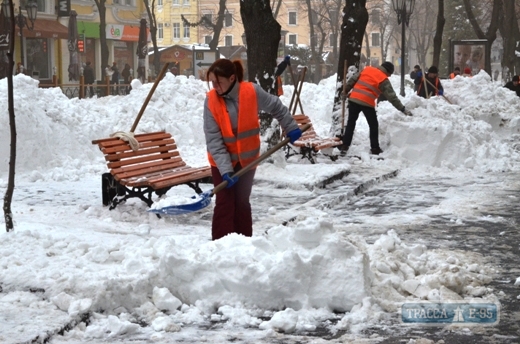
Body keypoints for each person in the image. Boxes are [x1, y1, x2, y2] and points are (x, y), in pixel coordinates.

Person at [203, 59, 302, 241]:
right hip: (221, 162)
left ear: (232, 78)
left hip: (247, 161)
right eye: (212, 82)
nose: (214, 86)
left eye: (219, 82)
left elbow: (276, 106)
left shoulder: (251, 92)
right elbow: (214, 140)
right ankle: (221, 247)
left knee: (241, 202)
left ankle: (245, 245)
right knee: (224, 203)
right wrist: (225, 170)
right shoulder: (211, 101)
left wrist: (290, 126)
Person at [339, 61, 412, 156]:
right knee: (373, 125)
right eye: (390, 74)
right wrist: (402, 109)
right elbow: (392, 97)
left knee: (351, 123)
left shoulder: (367, 69)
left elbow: (353, 79)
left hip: (354, 99)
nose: (389, 77)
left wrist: (345, 91)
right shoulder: (383, 79)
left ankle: (345, 146)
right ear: (388, 72)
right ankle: (375, 148)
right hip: (367, 102)